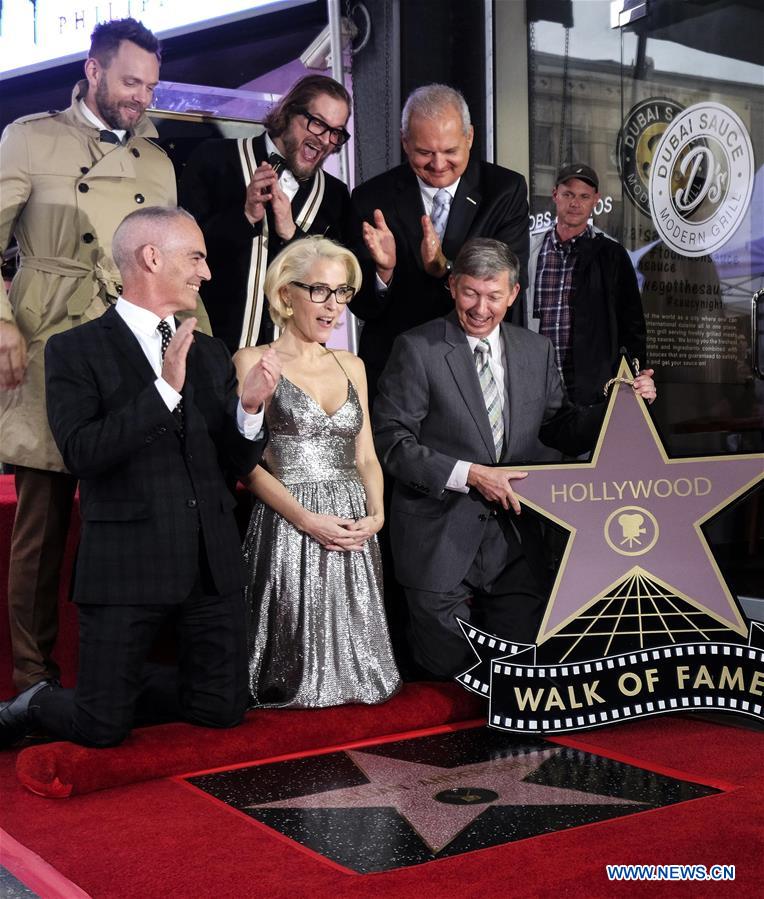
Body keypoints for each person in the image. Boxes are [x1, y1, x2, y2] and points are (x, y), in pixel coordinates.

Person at [0, 207, 279, 749]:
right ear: (152, 258)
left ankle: (120, 689)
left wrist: (248, 410)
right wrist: (163, 391)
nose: (207, 272)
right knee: (100, 729)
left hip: (210, 564)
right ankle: (38, 700)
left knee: (222, 711)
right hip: (125, 564)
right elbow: (83, 453)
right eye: (195, 257)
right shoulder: (73, 349)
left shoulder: (210, 351)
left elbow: (234, 461)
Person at [0, 17, 210, 702]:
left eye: (150, 86)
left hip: (133, 343)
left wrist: (198, 345)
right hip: (49, 339)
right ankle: (32, 678)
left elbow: (172, 263)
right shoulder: (30, 137)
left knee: (137, 507)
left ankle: (129, 669)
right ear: (92, 70)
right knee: (42, 521)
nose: (141, 97)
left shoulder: (156, 159)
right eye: (129, 82)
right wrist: (1, 320)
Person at [373, 238, 655, 680]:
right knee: (450, 675)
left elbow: (559, 428)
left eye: (493, 295)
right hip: (438, 541)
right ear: (452, 286)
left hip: (516, 544)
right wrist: (469, 475)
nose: (480, 308)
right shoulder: (416, 348)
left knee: (520, 674)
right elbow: (392, 441)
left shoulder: (535, 350)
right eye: (470, 292)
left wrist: (621, 406)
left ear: (513, 294)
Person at [233, 237, 400, 707]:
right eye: (320, 291)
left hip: (352, 525)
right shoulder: (252, 361)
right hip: (289, 522)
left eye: (342, 292)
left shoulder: (352, 365)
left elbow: (366, 457)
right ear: (286, 293)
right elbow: (247, 465)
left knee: (361, 684)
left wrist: (376, 515)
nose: (333, 306)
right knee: (288, 674)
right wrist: (307, 520)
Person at [350, 83, 530, 403]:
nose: (438, 164)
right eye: (424, 153)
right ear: (405, 142)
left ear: (469, 137)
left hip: (475, 371)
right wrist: (383, 272)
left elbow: (512, 280)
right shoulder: (371, 198)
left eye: (449, 152)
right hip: (396, 374)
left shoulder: (505, 190)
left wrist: (444, 267)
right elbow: (361, 304)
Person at [180, 75, 359, 353]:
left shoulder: (335, 195)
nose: (325, 140)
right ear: (288, 113)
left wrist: (291, 234)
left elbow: (333, 286)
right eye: (318, 123)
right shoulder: (214, 159)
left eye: (335, 132)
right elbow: (183, 256)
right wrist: (245, 216)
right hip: (210, 352)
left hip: (296, 363)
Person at [526, 163, 646, 406]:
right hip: (534, 381)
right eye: (568, 194)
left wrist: (635, 376)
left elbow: (632, 325)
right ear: (555, 195)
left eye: (584, 196)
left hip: (589, 388)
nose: (575, 203)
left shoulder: (611, 255)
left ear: (595, 200)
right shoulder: (529, 251)